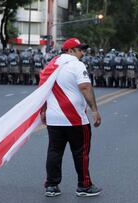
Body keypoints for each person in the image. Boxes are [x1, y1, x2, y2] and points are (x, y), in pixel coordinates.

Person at [40, 38, 102, 197]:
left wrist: (43, 110)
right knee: (81, 152)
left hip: (54, 118)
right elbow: (85, 87)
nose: (83, 52)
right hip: (74, 118)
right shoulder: (77, 65)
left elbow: (43, 90)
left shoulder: (52, 65)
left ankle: (52, 186)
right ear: (70, 51)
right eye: (79, 49)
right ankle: (84, 186)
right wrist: (95, 110)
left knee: (54, 151)